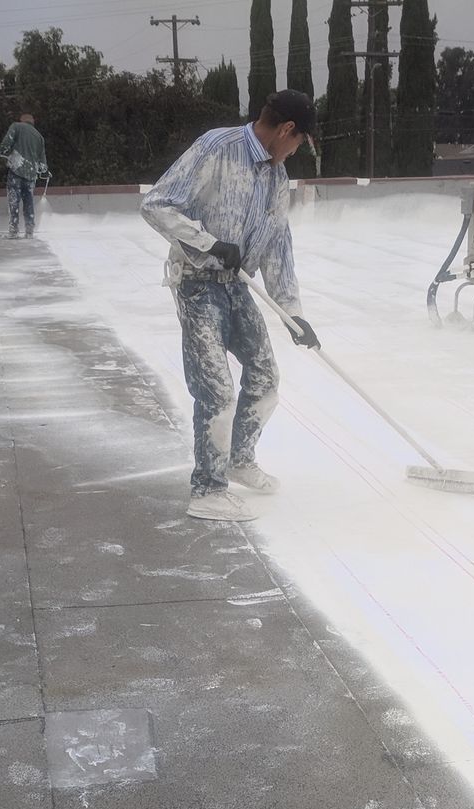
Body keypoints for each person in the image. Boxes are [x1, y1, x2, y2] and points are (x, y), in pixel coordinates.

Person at [139, 90, 320, 522]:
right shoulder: (217, 148)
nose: (296, 151)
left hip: (236, 286)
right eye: (298, 142)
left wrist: (293, 314)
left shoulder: (276, 176)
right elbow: (156, 204)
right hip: (197, 284)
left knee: (264, 378)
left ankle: (239, 460)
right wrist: (209, 243)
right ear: (286, 130)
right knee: (217, 391)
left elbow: (277, 244)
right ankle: (207, 489)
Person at [0, 112, 50, 239]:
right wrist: (44, 171)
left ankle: (14, 230)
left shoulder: (16, 126)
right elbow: (43, 160)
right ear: (32, 122)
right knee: (28, 201)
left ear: (22, 120)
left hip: (17, 169)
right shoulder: (39, 137)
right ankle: (29, 229)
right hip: (31, 175)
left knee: (14, 200)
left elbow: (7, 141)